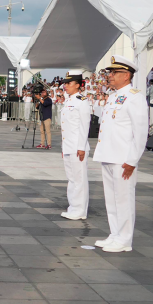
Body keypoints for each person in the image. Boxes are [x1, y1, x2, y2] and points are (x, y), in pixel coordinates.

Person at [92, 55, 149, 253]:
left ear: (126, 75)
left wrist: (132, 160)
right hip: (109, 155)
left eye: (114, 73)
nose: (110, 76)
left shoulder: (134, 97)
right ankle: (115, 234)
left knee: (124, 199)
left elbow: (140, 132)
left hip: (123, 159)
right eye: (110, 72)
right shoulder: (114, 95)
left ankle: (124, 239)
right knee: (112, 199)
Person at [60, 71, 92, 220]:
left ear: (78, 85)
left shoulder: (82, 101)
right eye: (65, 83)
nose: (66, 86)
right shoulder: (69, 101)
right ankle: (73, 207)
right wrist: (64, 147)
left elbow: (84, 126)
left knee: (79, 180)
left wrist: (81, 147)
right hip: (68, 146)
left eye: (69, 83)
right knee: (71, 179)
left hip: (77, 147)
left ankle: (80, 210)